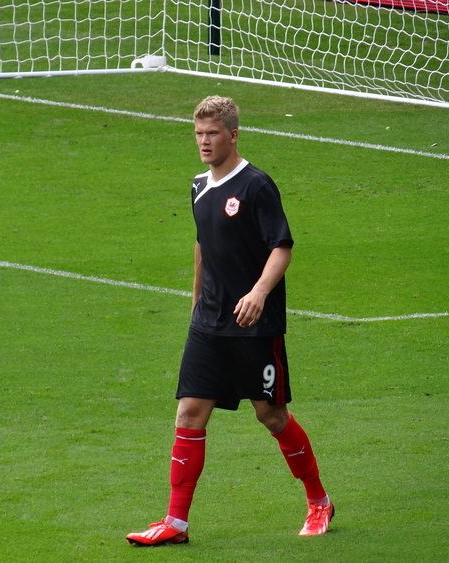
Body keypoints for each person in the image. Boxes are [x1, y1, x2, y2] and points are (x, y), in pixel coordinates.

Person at [126, 96, 333, 546]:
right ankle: (175, 523)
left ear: (233, 135)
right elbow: (203, 244)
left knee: (271, 415)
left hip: (254, 326)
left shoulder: (256, 186)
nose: (204, 141)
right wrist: (196, 300)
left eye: (212, 134)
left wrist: (259, 293)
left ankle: (319, 500)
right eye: (199, 134)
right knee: (189, 413)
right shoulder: (199, 186)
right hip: (209, 323)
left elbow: (282, 247)